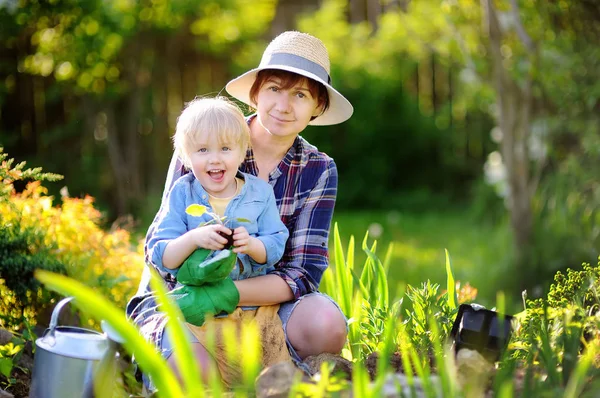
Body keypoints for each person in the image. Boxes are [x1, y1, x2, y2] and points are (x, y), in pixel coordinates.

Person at [127, 31, 354, 392]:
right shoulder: (207, 141)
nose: (284, 105)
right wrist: (202, 284)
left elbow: (303, 273)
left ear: (318, 107)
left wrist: (228, 292)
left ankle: (275, 376)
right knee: (197, 377)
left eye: (300, 95)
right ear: (255, 93)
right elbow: (158, 251)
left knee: (326, 324)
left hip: (263, 305)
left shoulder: (317, 169)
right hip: (183, 295)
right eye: (275, 89)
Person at [145, 96, 289, 328]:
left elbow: (275, 245)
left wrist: (252, 245)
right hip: (196, 308)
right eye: (202, 149)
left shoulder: (260, 193)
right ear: (186, 157)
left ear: (242, 152)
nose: (215, 159)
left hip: (250, 308)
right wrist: (193, 239)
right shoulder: (183, 192)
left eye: (225, 148)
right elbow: (163, 256)